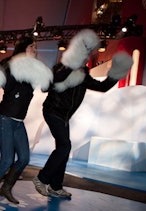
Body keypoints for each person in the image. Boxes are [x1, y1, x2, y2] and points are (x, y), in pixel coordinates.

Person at [32, 29, 133, 198]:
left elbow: (102, 87)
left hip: (64, 116)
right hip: (52, 111)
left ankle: (56, 186)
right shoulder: (62, 67)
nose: (87, 56)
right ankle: (41, 178)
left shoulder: (84, 73)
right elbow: (53, 81)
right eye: (85, 52)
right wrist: (72, 63)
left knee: (63, 148)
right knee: (65, 146)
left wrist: (116, 72)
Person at [0, 36, 53, 211]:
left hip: (18, 121)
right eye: (31, 46)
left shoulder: (33, 69)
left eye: (36, 48)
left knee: (23, 159)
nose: (34, 50)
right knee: (7, 159)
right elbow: (5, 83)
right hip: (6, 118)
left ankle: (6, 188)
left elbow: (46, 87)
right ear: (23, 47)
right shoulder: (11, 64)